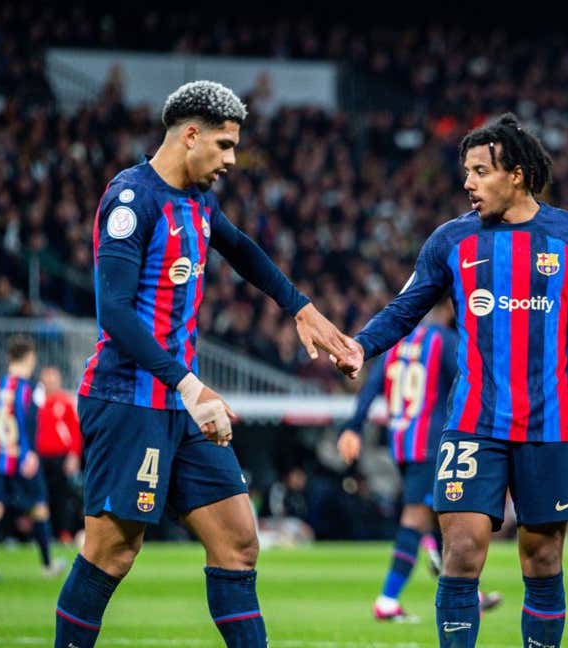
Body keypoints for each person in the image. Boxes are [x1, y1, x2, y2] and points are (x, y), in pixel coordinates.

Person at [54, 80, 361, 648]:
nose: (232, 159)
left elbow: (242, 249)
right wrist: (191, 385)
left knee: (239, 540)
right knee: (111, 552)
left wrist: (301, 308)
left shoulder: (197, 202)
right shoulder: (131, 199)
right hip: (128, 400)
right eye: (223, 145)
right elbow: (115, 315)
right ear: (189, 135)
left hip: (180, 403)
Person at [343, 113, 568, 647]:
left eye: (480, 171)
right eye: (466, 172)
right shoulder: (450, 240)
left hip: (548, 424)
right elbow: (405, 308)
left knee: (543, 557)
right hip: (472, 423)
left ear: (518, 174)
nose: (468, 183)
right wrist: (360, 345)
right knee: (460, 551)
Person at [338, 302, 502, 622]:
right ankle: (387, 600)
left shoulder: (397, 343)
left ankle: (467, 591)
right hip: (430, 444)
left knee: (441, 514)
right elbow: (470, 379)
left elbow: (371, 387)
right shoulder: (443, 339)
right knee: (417, 518)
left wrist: (353, 427)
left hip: (402, 443)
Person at [0, 335, 62, 581]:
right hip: (24, 459)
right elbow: (33, 423)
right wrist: (31, 453)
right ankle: (46, 566)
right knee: (39, 510)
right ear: (29, 358)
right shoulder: (31, 389)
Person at [36, 366, 84, 543]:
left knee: (62, 497)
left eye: (53, 380)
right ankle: (42, 535)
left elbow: (75, 430)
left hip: (60, 457)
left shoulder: (65, 402)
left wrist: (73, 455)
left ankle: (64, 533)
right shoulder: (35, 403)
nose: (50, 383)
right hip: (39, 457)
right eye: (47, 380)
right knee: (40, 496)